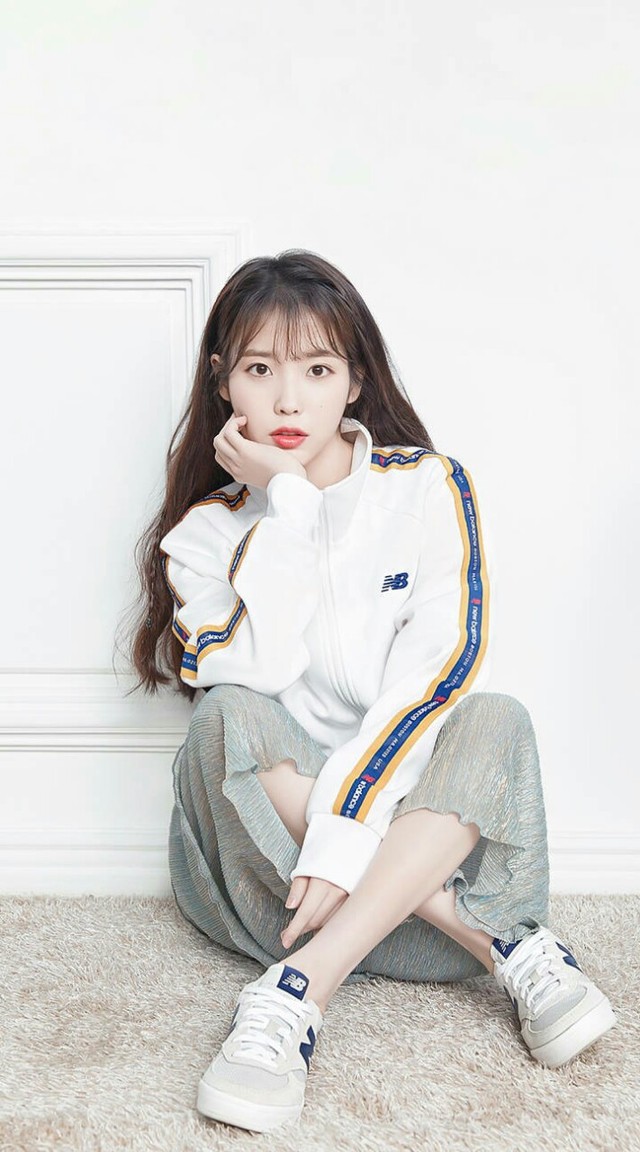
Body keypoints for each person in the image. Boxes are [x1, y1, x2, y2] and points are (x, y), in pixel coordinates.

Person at [122, 249, 616, 1134]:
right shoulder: (203, 537)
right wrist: (288, 507)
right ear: (222, 381)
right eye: (260, 370)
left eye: (316, 371)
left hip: (394, 893)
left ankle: (297, 993)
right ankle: (500, 943)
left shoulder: (429, 488)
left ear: (355, 382)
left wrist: (348, 832)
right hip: (279, 892)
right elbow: (252, 672)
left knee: (492, 715)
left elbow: (438, 672)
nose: (287, 401)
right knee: (225, 715)